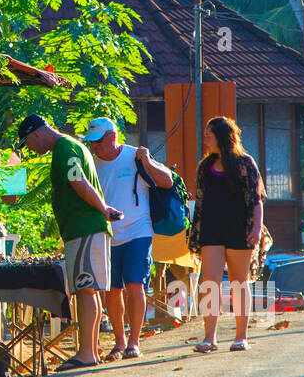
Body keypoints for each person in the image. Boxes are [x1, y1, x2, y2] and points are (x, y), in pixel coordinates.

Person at [17, 114, 123, 370]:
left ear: (37, 134)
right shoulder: (74, 146)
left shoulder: (65, 148)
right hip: (86, 227)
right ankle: (90, 350)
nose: (30, 149)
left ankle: (86, 352)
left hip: (83, 227)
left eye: (28, 143)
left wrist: (104, 208)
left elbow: (78, 182)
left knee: (85, 289)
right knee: (91, 291)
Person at [84, 116, 173, 360]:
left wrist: (147, 161)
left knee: (135, 285)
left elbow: (167, 182)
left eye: (98, 141)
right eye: (91, 142)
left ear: (113, 137)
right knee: (112, 291)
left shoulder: (134, 156)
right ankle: (119, 341)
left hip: (138, 231)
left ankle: (134, 342)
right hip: (108, 236)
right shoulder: (90, 164)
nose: (94, 146)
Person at [186, 116, 264, 353]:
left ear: (222, 137)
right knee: (209, 283)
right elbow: (200, 201)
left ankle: (241, 337)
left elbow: (256, 199)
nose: (206, 140)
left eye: (209, 135)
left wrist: (256, 229)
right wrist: (195, 232)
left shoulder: (245, 163)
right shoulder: (205, 167)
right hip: (211, 228)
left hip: (239, 229)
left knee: (240, 283)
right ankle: (209, 338)